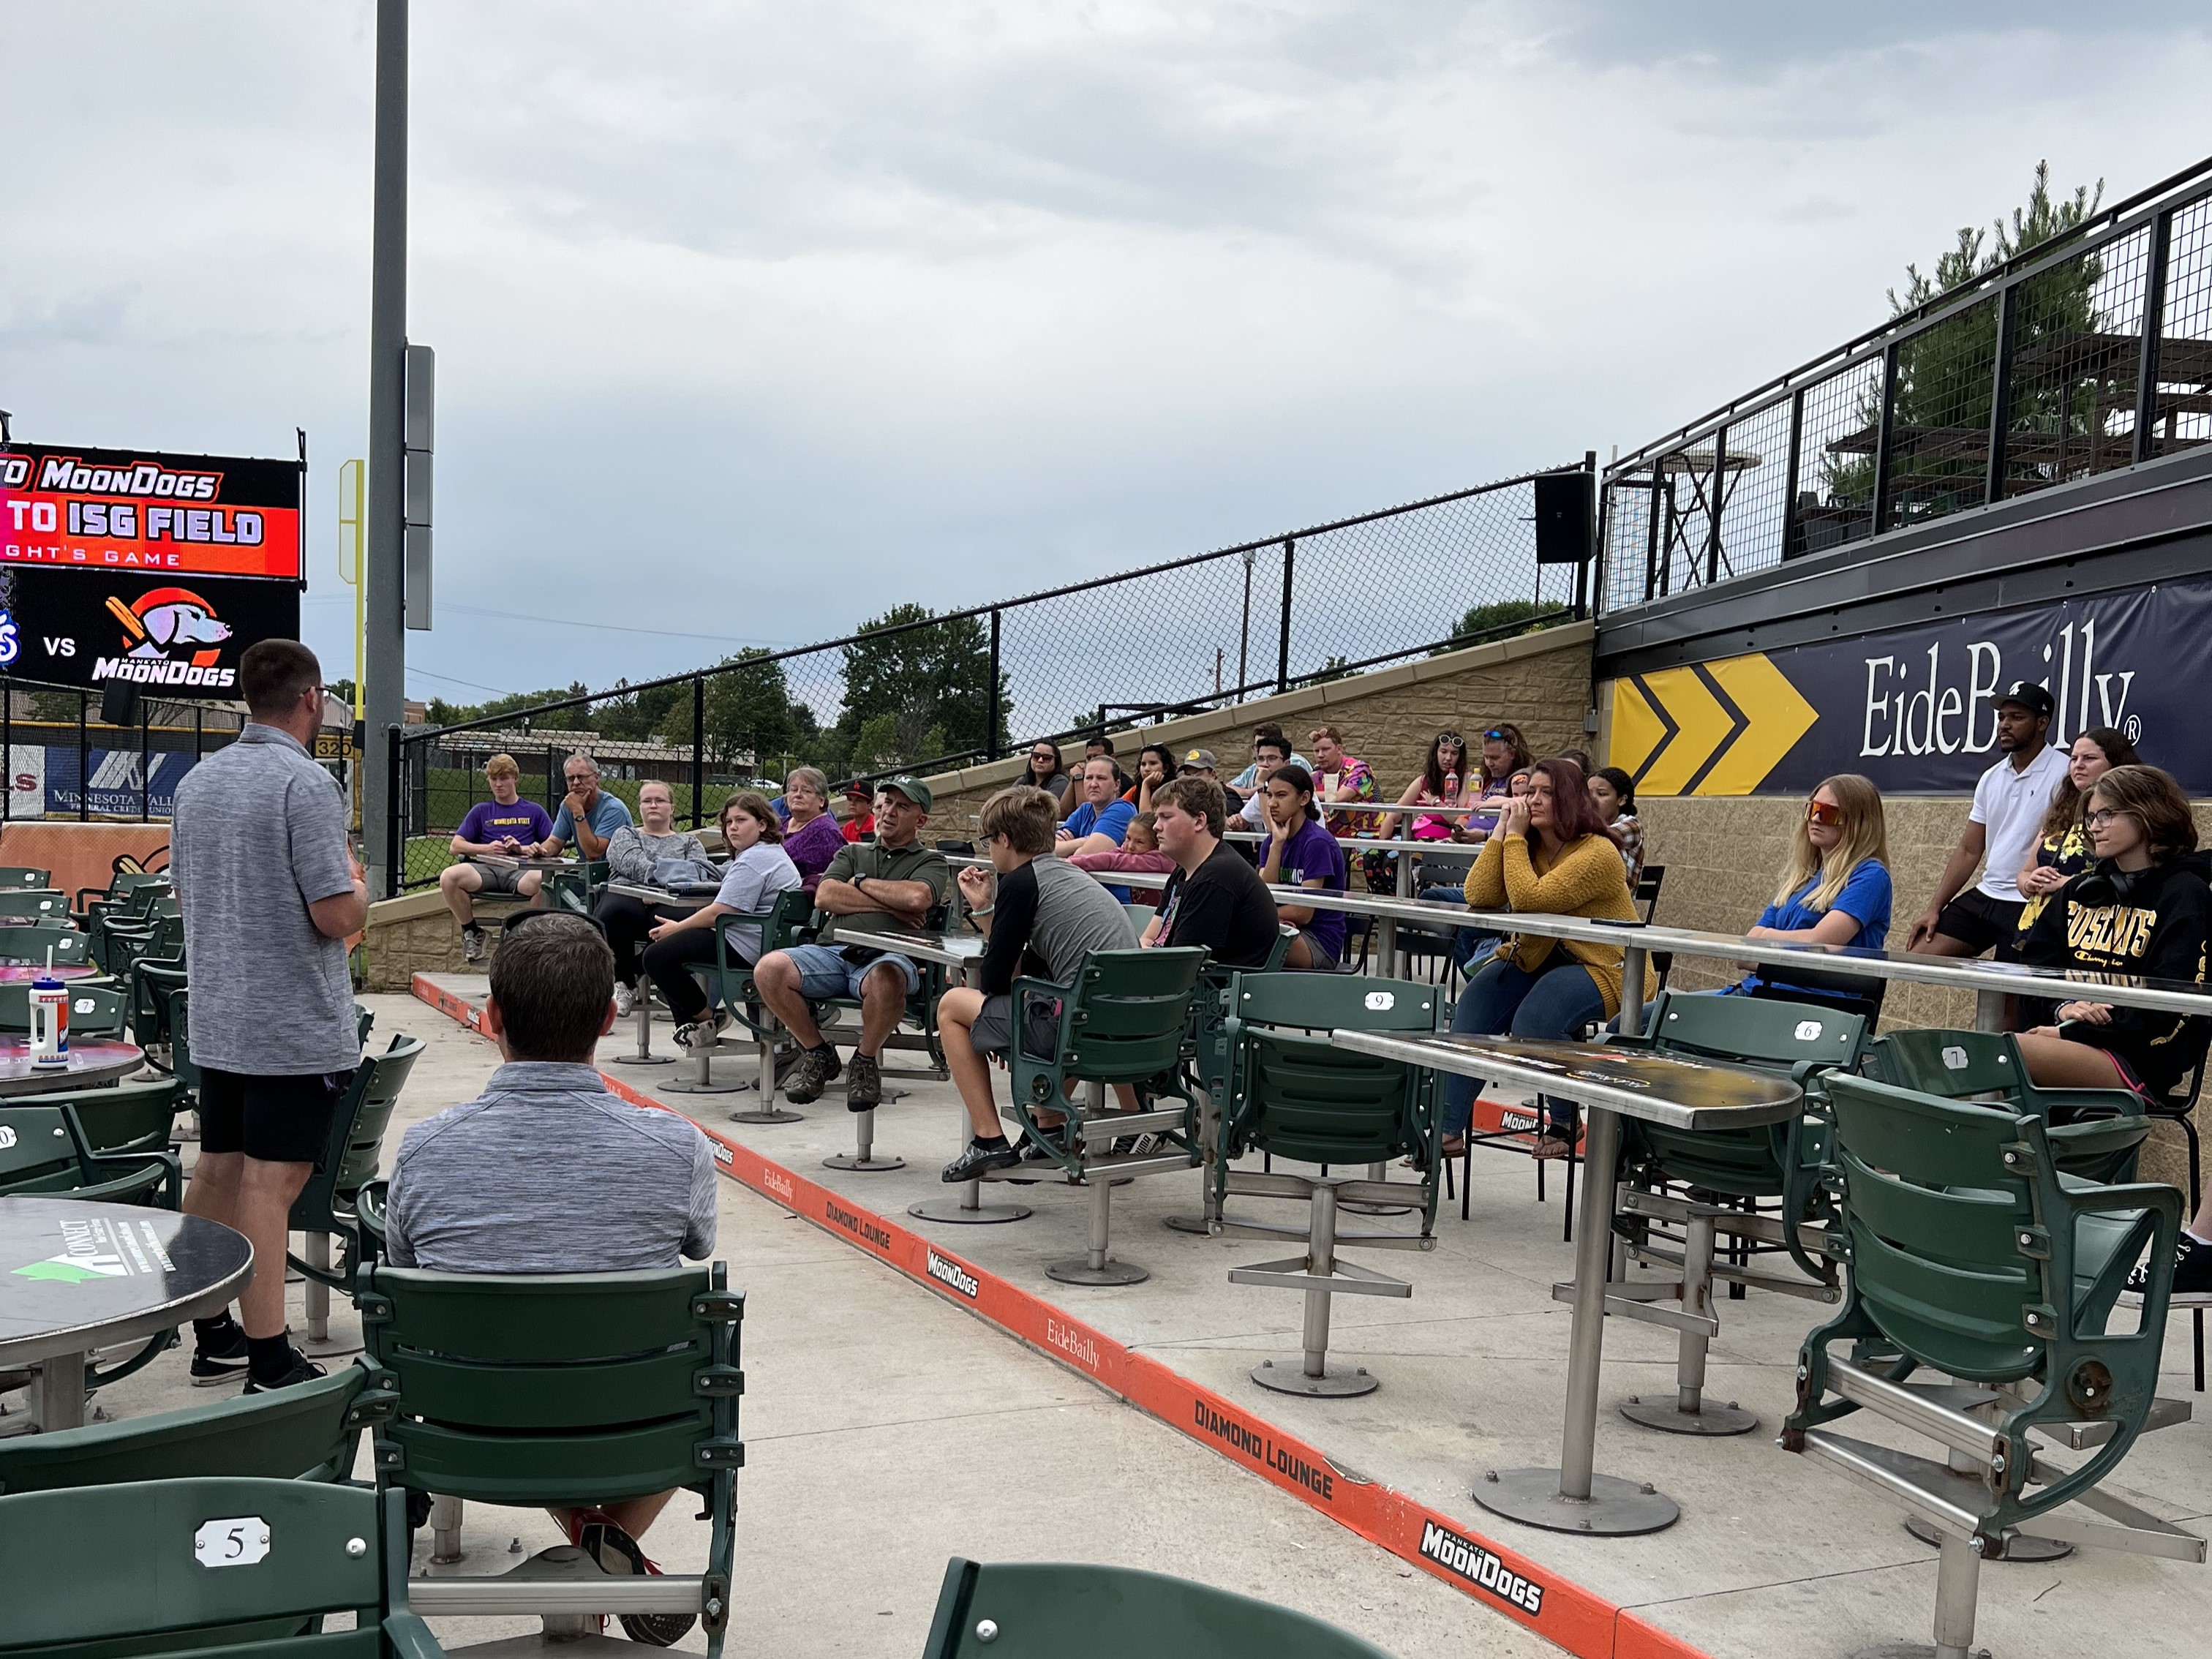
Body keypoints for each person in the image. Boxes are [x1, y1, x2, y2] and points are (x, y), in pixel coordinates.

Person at [382, 913, 717, 1641]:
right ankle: (603, 1540)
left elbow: (402, 1274)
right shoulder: (675, 1145)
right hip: (637, 1423)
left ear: (492, 1015)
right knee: (696, 1372)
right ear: (608, 1016)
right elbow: (699, 1246)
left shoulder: (425, 1148)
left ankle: (592, 1544)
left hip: (467, 1423)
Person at [170, 639, 366, 1393]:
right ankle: (269, 1359)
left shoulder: (199, 781)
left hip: (220, 1014)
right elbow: (330, 912)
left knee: (217, 1170)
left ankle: (213, 1333)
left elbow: (188, 898)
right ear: (311, 699)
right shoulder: (305, 782)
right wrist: (362, 894)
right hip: (287, 1024)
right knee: (268, 1184)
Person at [937, 787, 1139, 1181]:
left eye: (988, 841)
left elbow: (996, 978)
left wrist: (992, 1026)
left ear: (1005, 840)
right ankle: (1047, 1131)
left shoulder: (1019, 882)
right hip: (1124, 1028)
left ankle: (988, 1138)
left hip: (1079, 1032)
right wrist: (986, 909)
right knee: (1044, 1007)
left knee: (951, 1005)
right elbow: (1026, 966)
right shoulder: (1070, 877)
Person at [1441, 757, 1635, 1160]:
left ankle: (1565, 1123)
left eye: (1548, 793)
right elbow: (1479, 895)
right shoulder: (1525, 844)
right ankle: (1446, 1128)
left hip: (1607, 967)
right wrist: (1501, 831)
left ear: (1571, 800)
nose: (1534, 800)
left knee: (1537, 1017)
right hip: (1539, 956)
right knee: (1475, 1003)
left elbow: (1532, 900)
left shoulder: (1598, 852)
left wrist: (1513, 837)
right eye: (1530, 791)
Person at [753, 777, 950, 1109]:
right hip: (833, 952)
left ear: (920, 820)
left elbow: (917, 897)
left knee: (888, 977)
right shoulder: (852, 851)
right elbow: (826, 896)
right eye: (886, 803)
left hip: (887, 956)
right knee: (768, 969)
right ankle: (818, 1053)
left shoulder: (930, 862)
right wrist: (890, 906)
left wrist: (859, 884)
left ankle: (864, 1060)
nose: (889, 812)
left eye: (902, 807)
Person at [2017, 764, 2211, 1098]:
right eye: (2091, 818)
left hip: (2140, 1061)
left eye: (2107, 815)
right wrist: (2062, 1008)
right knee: (1973, 1058)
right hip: (2064, 1037)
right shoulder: (2080, 891)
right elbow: (2034, 972)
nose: (2095, 827)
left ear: (2147, 814)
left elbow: (2173, 1010)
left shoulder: (2187, 896)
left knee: (2000, 1057)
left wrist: (2073, 1033)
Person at [1905, 681, 2066, 958]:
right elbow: (1968, 850)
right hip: (1987, 894)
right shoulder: (1991, 777)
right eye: (2002, 717)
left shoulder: (2065, 773)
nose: (2004, 725)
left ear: (2042, 723)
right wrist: (1934, 907)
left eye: (2017, 718)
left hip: (2029, 901)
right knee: (1919, 956)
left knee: (2009, 994)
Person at [642, 793, 804, 1050]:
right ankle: (699, 1023)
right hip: (761, 940)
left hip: (745, 946)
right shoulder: (768, 853)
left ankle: (707, 1020)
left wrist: (677, 928)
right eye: (729, 823)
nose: (733, 828)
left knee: (656, 956)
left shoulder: (754, 860)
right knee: (670, 934)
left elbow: (719, 912)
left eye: (741, 820)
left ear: (762, 824)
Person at [1727, 775, 1891, 1001]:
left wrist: (1767, 937)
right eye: (1811, 808)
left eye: (1827, 813)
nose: (1815, 818)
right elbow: (1743, 955)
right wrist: (1786, 947)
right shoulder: (1804, 878)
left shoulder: (1871, 875)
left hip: (1808, 1008)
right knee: (1663, 1013)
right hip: (1760, 993)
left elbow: (1819, 944)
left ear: (1858, 823)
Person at [595, 780, 713, 1015]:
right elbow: (631, 862)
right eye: (646, 801)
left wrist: (661, 891)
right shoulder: (625, 834)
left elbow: (698, 872)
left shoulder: (689, 842)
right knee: (616, 912)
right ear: (639, 807)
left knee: (678, 920)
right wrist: (663, 880)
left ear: (672, 807)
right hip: (628, 894)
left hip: (670, 899)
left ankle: (633, 972)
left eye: (659, 800)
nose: (653, 805)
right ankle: (623, 983)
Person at [2014, 726, 2140, 939]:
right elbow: (2024, 873)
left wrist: (2064, 884)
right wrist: (2031, 882)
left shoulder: (2128, 815)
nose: (2078, 765)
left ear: (2115, 763)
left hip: (2088, 930)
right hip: (2039, 929)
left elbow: (2127, 879)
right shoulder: (2063, 809)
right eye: (2074, 758)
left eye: (2089, 758)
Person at [1141, 777, 1279, 966]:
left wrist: (1145, 952)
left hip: (1217, 991)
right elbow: (1149, 939)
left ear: (1199, 821)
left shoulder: (1216, 877)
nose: (1156, 826)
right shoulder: (1183, 872)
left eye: (1166, 817)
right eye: (1157, 817)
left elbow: (1180, 966)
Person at [439, 755, 558, 962]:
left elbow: (556, 848)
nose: (498, 784)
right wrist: (487, 848)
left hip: (521, 870)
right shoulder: (481, 811)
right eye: (494, 779)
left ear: (515, 778)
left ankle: (524, 937)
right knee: (448, 877)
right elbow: (455, 846)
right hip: (486, 869)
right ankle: (473, 933)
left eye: (504, 778)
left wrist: (522, 849)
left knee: (544, 881)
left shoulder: (534, 811)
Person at [1257, 764, 1348, 970]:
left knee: (1250, 937)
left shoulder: (1317, 843)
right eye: (1269, 795)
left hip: (1318, 943)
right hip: (1281, 928)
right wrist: (1277, 846)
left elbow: (1303, 911)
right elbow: (1265, 894)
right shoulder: (1270, 844)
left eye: (1281, 795)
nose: (1272, 803)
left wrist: (1261, 916)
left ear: (1304, 798)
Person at [537, 754, 633, 879]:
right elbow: (555, 842)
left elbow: (593, 852)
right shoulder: (568, 806)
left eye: (581, 777)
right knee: (545, 888)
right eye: (571, 779)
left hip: (614, 878)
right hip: (587, 876)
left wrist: (578, 812)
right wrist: (539, 851)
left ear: (596, 777)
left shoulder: (614, 809)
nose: (576, 783)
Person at [1069, 810, 1176, 898]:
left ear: (1156, 843)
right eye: (1128, 838)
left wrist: (1075, 862)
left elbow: (1116, 861)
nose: (1130, 846)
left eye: (1140, 842)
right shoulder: (1128, 849)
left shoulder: (1159, 859)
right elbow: (1113, 854)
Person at [1309, 724, 1382, 839]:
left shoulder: (1361, 770)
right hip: (1328, 838)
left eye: (1325, 749)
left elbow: (1339, 796)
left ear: (1339, 749)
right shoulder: (1315, 776)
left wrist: (1308, 795)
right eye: (1316, 750)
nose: (1320, 755)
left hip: (1364, 838)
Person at [780, 766, 846, 893]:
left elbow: (825, 879)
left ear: (821, 801)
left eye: (806, 791)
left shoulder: (825, 832)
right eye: (793, 790)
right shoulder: (781, 823)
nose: (798, 795)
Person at [1587, 765, 1644, 889]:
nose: (1592, 799)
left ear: (1622, 800)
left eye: (1601, 794)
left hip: (1617, 904)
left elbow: (1596, 840)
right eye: (1588, 793)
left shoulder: (1632, 826)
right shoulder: (1590, 826)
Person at [1233, 731, 1293, 830]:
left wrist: (1260, 784)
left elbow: (1273, 830)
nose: (1264, 764)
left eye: (1272, 758)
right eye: (1260, 759)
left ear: (1286, 764)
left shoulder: (1295, 790)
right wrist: (1234, 820)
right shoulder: (1263, 792)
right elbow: (1242, 821)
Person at [1230, 723, 1309, 791]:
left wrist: (1261, 786)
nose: (1259, 750)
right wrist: (1249, 792)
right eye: (1256, 746)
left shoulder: (1297, 762)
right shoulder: (1253, 769)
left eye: (1272, 758)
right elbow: (1228, 787)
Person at [1121, 742, 1176, 813]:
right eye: (1143, 764)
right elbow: (1118, 808)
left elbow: (1147, 819)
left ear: (1165, 768)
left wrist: (1146, 785)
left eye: (1153, 763)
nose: (1146, 769)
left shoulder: (1174, 790)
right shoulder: (1135, 791)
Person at [1023, 741, 1074, 808]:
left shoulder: (1060, 781)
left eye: (1047, 758)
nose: (1040, 760)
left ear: (1056, 761)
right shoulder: (1023, 781)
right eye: (1036, 756)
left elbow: (1046, 810)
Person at [838, 778, 876, 843]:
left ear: (870, 805)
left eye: (859, 800)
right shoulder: (847, 828)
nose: (852, 803)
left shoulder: (874, 826)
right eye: (850, 799)